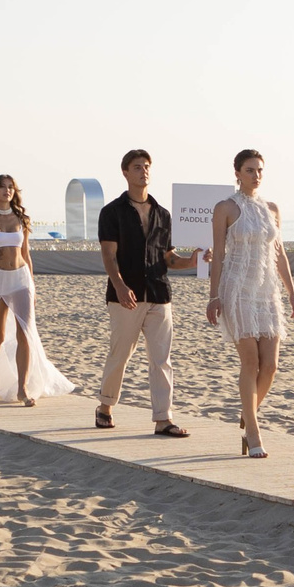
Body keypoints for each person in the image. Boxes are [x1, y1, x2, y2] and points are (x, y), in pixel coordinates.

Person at [95, 149, 198, 436]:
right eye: (137, 167)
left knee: (162, 358)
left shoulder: (163, 214)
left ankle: (163, 419)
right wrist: (119, 285)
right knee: (120, 354)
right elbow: (108, 254)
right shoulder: (111, 212)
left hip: (159, 293)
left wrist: (190, 262)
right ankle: (105, 406)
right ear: (125, 172)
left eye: (147, 166)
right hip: (124, 295)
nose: (144, 171)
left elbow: (168, 257)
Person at [207, 149, 294, 458]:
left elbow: (281, 254)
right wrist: (214, 296)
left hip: (266, 292)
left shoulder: (272, 208)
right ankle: (253, 431)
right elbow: (218, 254)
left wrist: (292, 292)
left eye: (259, 170)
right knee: (250, 362)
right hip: (236, 290)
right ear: (237, 173)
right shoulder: (225, 208)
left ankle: (249, 413)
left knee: (271, 366)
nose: (256, 175)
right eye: (250, 170)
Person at [0, 174, 75, 405]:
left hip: (21, 279)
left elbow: (26, 254)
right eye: (2, 187)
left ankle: (22, 388)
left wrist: (32, 284)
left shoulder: (22, 218)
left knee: (25, 334)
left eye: (10, 187)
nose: (7, 191)